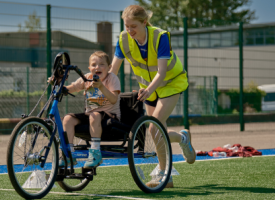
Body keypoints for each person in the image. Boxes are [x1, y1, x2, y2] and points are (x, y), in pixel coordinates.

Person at [110, 5, 196, 188]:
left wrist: (149, 89)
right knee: (157, 129)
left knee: (153, 129)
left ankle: (166, 173)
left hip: (171, 83)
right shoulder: (123, 39)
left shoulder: (160, 36)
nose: (129, 30)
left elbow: (162, 71)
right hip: (148, 88)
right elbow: (113, 71)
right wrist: (101, 87)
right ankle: (179, 148)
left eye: (133, 26)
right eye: (126, 26)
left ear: (144, 22)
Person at [60, 51, 121, 169]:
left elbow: (114, 99)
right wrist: (60, 86)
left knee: (95, 115)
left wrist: (102, 87)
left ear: (109, 67)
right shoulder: (87, 78)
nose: (97, 67)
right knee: (67, 119)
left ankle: (95, 152)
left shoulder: (112, 78)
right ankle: (68, 154)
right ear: (89, 68)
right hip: (91, 116)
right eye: (94, 65)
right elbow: (72, 87)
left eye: (101, 64)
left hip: (110, 117)